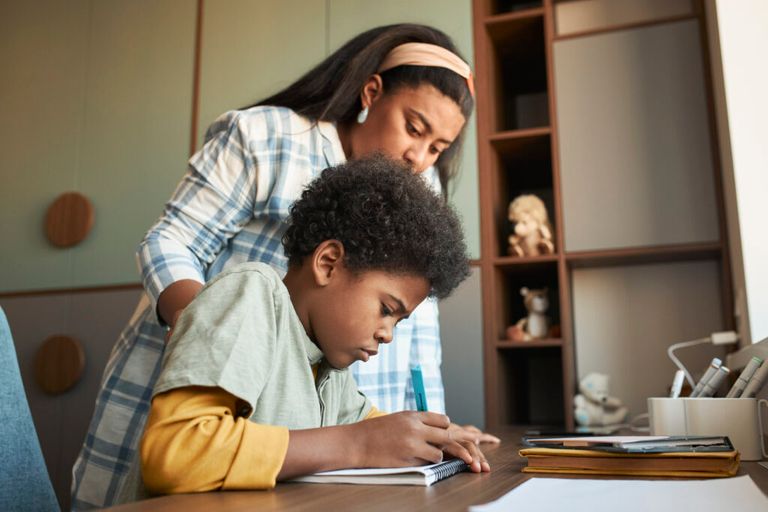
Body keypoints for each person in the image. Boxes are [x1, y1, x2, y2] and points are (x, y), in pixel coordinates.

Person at [72, 23, 496, 511]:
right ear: (372, 93)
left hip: (316, 447)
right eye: (414, 128)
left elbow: (418, 336)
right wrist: (214, 332)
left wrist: (427, 427)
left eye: (437, 148)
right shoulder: (269, 138)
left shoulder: (334, 364)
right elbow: (172, 241)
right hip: (219, 398)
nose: (419, 157)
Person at [112, 155, 488, 505]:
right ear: (328, 263)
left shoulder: (328, 364)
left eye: (398, 321)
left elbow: (373, 426)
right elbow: (174, 453)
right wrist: (355, 445)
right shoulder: (250, 295)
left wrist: (437, 436)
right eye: (386, 310)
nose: (387, 333)